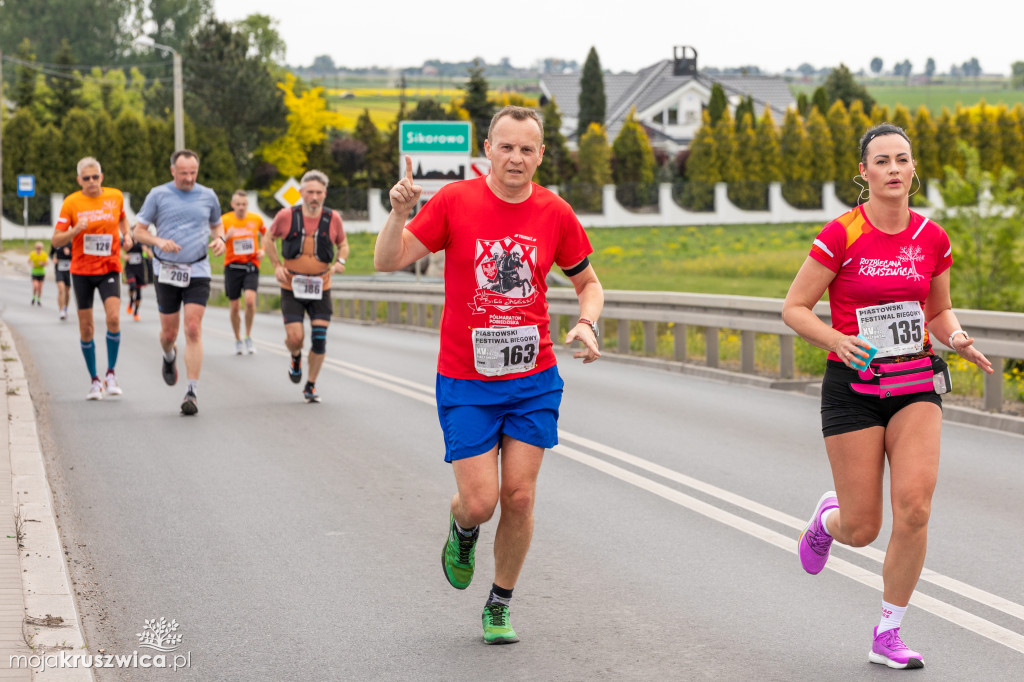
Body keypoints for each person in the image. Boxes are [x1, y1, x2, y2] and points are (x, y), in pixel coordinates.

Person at [374, 105, 603, 645]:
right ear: (487, 150)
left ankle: (499, 603)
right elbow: (389, 259)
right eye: (506, 147)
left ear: (540, 154)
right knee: (481, 501)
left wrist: (588, 323)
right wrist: (397, 215)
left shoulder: (555, 212)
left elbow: (588, 282)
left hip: (533, 377)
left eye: (527, 148)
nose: (516, 158)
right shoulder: (456, 201)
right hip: (466, 379)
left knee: (519, 497)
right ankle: (463, 528)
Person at [782, 123, 994, 670]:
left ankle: (889, 632)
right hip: (852, 389)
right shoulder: (841, 234)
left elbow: (937, 310)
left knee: (916, 509)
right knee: (863, 528)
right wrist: (836, 339)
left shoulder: (932, 237)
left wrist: (958, 337)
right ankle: (828, 521)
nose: (894, 169)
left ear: (913, 169)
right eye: (882, 161)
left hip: (914, 384)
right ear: (864, 172)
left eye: (902, 159)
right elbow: (795, 307)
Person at [132, 149, 225, 415]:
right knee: (169, 334)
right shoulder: (158, 195)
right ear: (173, 171)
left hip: (197, 268)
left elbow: (218, 225)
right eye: (183, 173)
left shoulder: (208, 195)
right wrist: (158, 240)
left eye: (193, 172)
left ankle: (192, 392)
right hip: (167, 270)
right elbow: (138, 231)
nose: (189, 178)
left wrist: (221, 239)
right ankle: (168, 356)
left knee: (193, 328)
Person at [51, 157, 133, 400]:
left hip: (109, 267)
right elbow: (56, 240)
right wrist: (75, 231)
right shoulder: (71, 202)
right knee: (86, 328)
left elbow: (122, 217)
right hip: (82, 271)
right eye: (86, 178)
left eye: (95, 177)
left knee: (114, 318)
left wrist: (126, 235)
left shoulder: (115, 196)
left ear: (101, 177)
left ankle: (110, 374)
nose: (91, 182)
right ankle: (94, 380)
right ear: (79, 180)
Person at [263, 170, 348, 403]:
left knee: (320, 338)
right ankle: (295, 356)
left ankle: (310, 384)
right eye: (310, 192)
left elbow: (343, 245)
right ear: (301, 193)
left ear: (325, 194)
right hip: (292, 285)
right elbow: (268, 239)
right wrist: (276, 265)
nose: (314, 196)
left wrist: (340, 261)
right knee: (295, 337)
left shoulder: (333, 219)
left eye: (319, 192)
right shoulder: (286, 215)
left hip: (321, 285)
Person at [221, 189, 266, 355]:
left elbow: (266, 234)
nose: (241, 207)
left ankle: (248, 335)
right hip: (232, 267)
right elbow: (216, 241)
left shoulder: (256, 219)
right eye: (238, 204)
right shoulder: (225, 220)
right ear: (232, 204)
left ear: (248, 205)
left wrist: (263, 250)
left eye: (244, 204)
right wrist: (227, 236)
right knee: (234, 307)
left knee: (249, 301)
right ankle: (238, 338)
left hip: (250, 265)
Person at [122, 239, 151, 322]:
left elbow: (150, 256)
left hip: (140, 270)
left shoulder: (143, 242)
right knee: (132, 285)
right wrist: (124, 256)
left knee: (138, 294)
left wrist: (146, 250)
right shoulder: (127, 239)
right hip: (130, 269)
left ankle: (136, 312)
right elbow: (118, 249)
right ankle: (131, 301)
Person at [50, 241, 72, 319]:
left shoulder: (70, 243)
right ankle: (61, 310)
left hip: (69, 270)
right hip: (59, 269)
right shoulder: (56, 242)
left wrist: (69, 254)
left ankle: (65, 308)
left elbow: (75, 256)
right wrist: (53, 259)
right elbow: (51, 253)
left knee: (67, 290)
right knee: (61, 289)